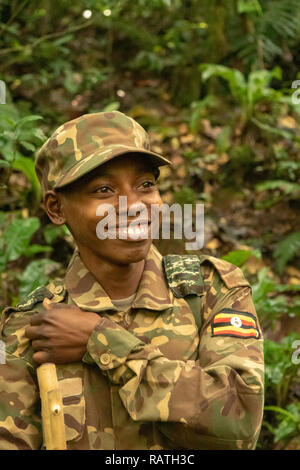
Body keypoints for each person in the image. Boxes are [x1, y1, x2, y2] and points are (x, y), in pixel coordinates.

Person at [0, 111, 264, 450]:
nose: (133, 205)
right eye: (104, 189)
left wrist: (100, 341)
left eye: (146, 185)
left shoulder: (210, 290)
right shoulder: (31, 328)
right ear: (56, 208)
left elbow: (240, 422)